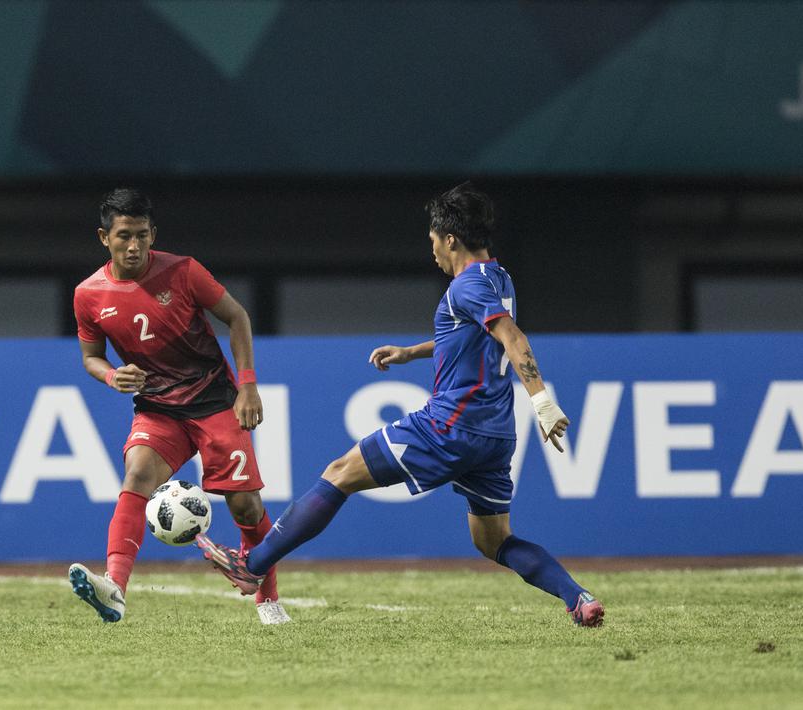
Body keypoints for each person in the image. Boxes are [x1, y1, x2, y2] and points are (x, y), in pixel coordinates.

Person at [197, 182, 604, 627]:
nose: (432, 250)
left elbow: (512, 337)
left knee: (339, 474)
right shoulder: (497, 277)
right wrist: (412, 352)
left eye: (433, 240)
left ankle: (253, 565)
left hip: (450, 425)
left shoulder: (466, 285)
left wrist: (543, 403)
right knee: (493, 541)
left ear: (451, 239)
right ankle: (578, 598)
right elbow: (472, 335)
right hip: (494, 435)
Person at [67, 188, 289, 625]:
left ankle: (268, 598)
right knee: (137, 474)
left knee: (246, 507)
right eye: (124, 236)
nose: (134, 246)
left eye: (142, 236)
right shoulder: (88, 295)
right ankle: (114, 589)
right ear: (103, 238)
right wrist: (112, 375)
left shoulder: (184, 272)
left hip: (214, 401)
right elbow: (91, 358)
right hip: (158, 408)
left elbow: (237, 316)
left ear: (154, 235)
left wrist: (247, 386)